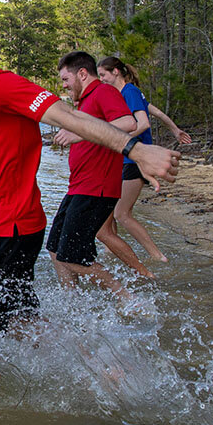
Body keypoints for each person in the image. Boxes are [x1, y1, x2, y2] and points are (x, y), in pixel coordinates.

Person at [0, 3, 180, 395]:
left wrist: (137, 150)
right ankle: (107, 370)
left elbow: (69, 117)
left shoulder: (0, 84)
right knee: (19, 320)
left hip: (10, 229)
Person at [47, 51, 137, 301]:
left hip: (96, 188)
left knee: (72, 256)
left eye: (66, 79)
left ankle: (128, 299)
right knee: (55, 249)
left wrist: (80, 134)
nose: (64, 85)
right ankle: (72, 303)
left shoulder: (103, 92)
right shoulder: (85, 102)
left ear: (83, 74)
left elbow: (128, 123)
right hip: (78, 187)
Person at [95, 56, 192, 265]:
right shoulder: (127, 93)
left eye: (103, 75)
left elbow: (144, 123)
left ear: (116, 72)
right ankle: (110, 253)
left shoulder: (129, 91)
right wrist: (175, 130)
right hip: (123, 161)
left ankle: (158, 256)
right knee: (108, 214)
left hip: (135, 162)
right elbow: (156, 112)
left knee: (122, 213)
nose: (101, 79)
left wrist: (114, 138)